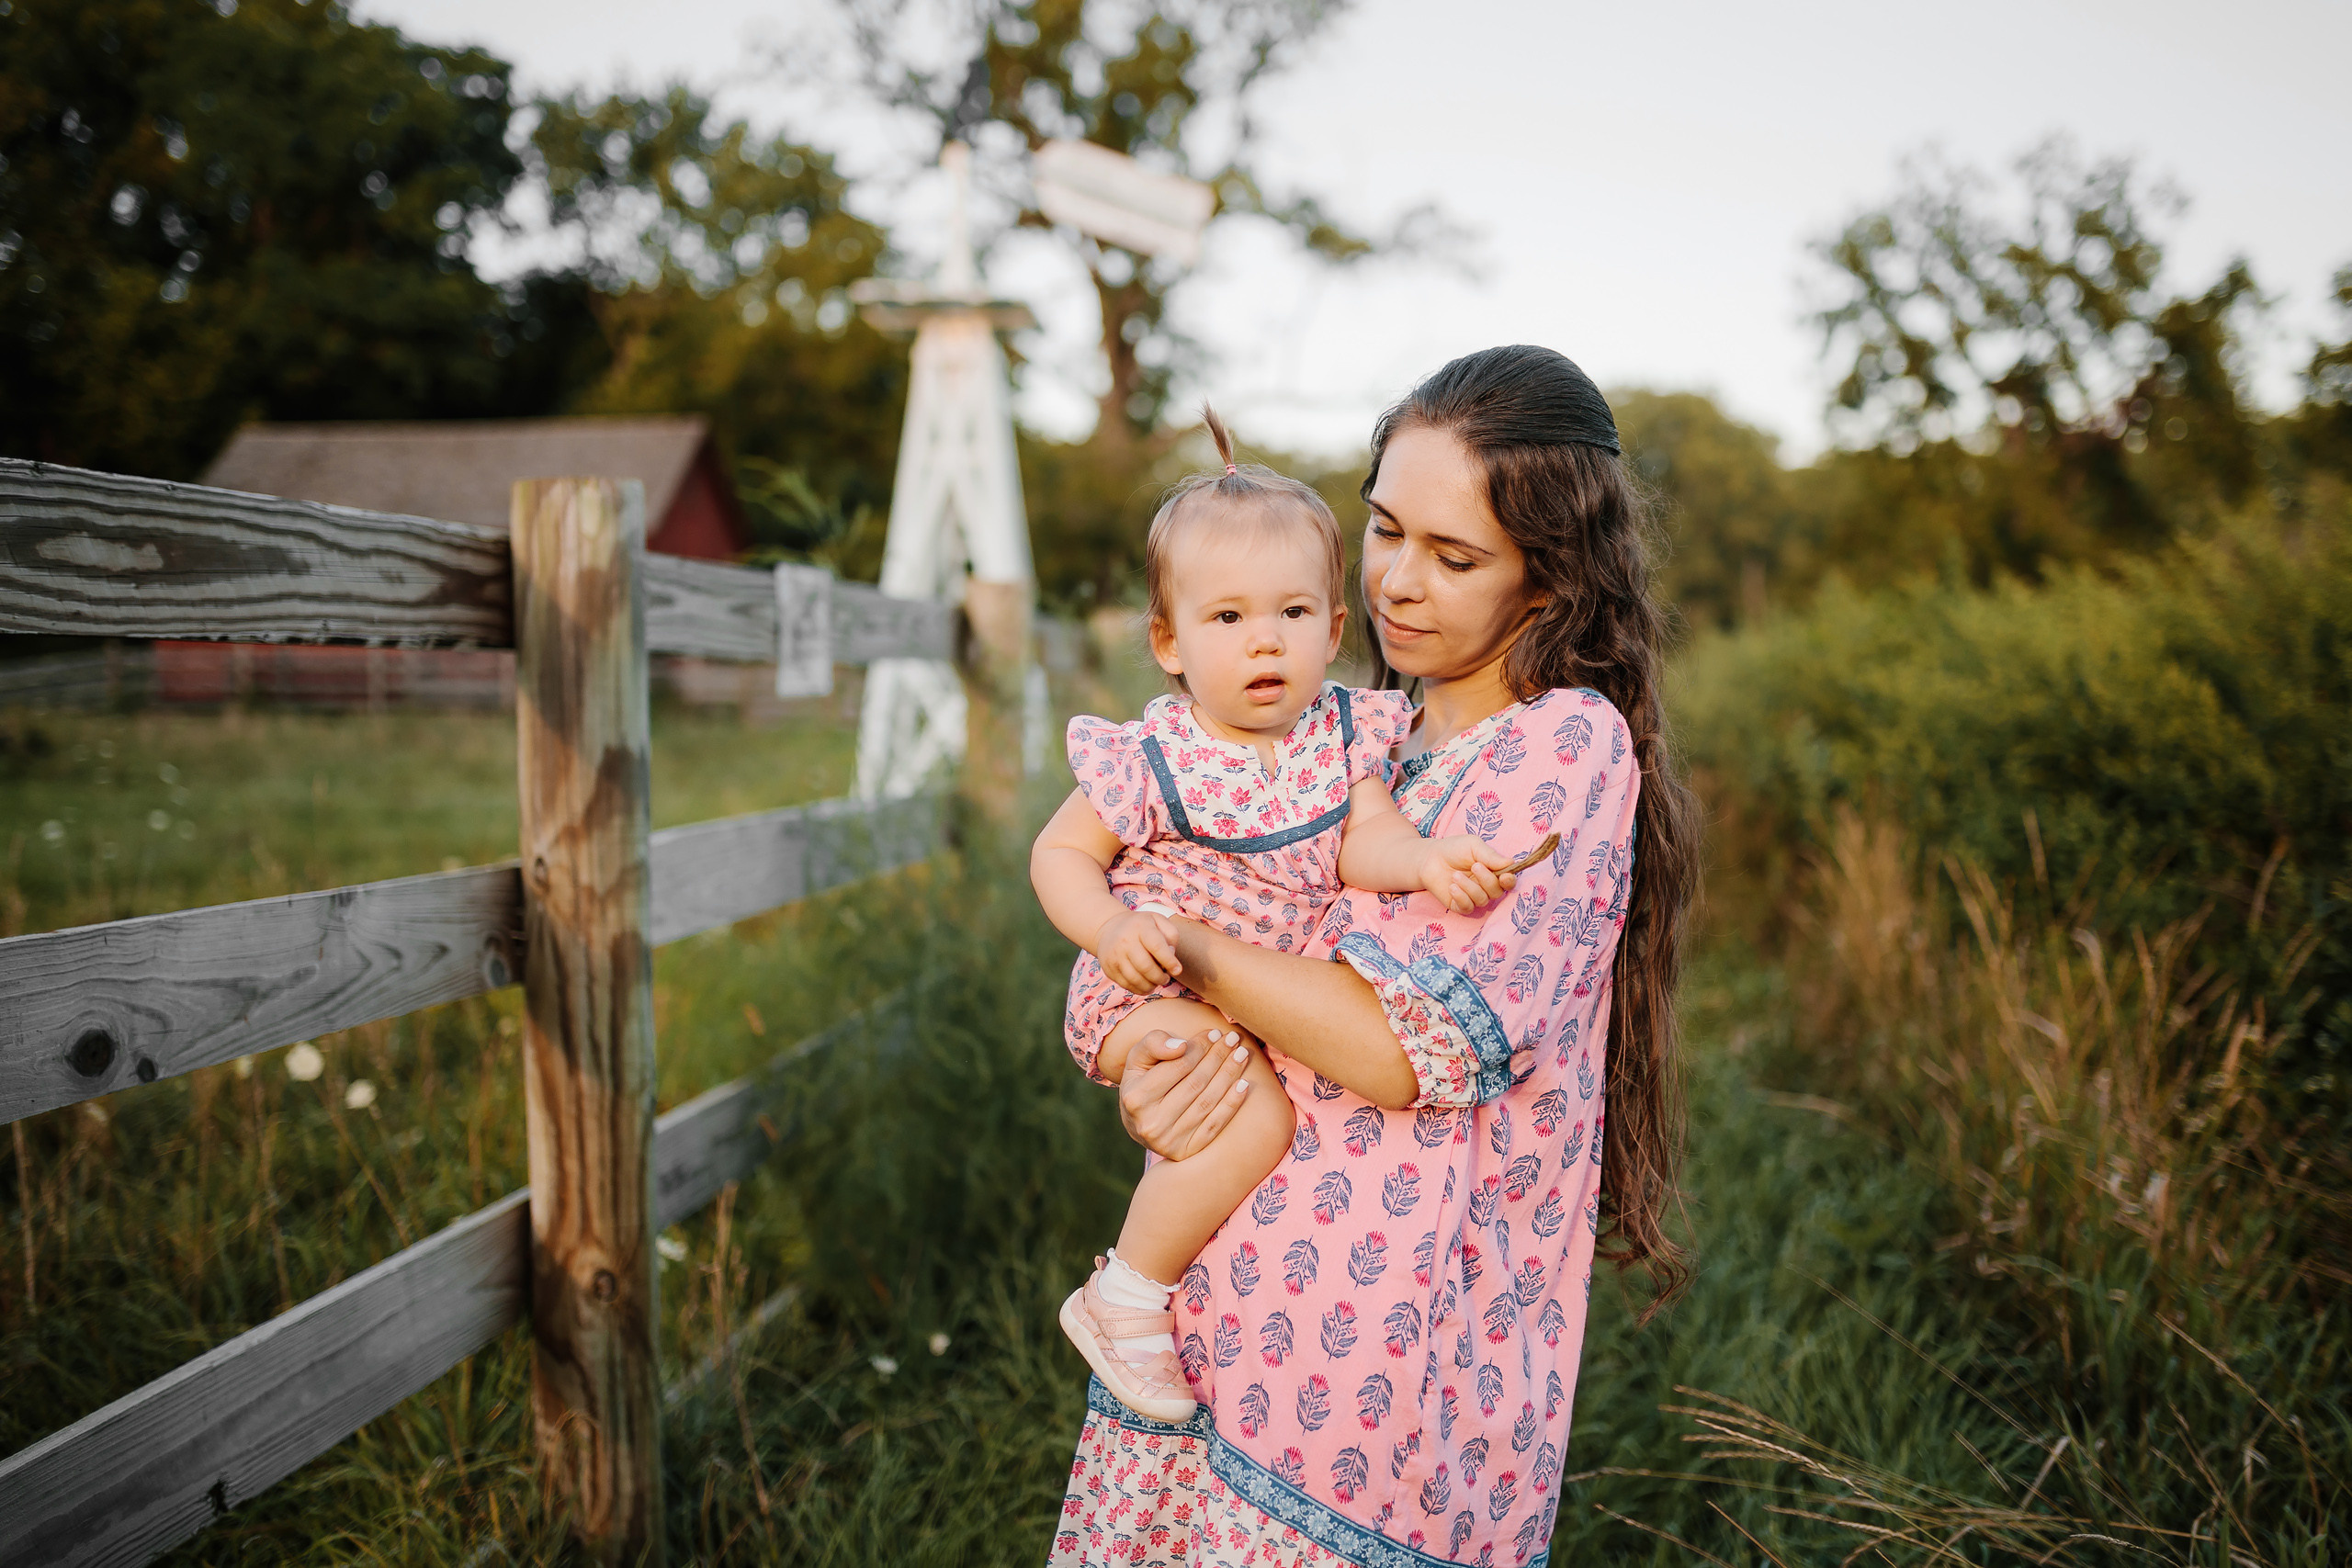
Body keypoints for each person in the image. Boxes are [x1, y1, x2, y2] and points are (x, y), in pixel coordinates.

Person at [1046, 345, 1700, 1568]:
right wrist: (1156, 1065)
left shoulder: (1561, 745)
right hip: (1235, 1320)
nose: (1398, 582)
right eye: (1387, 529)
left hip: (1393, 1376)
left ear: (1551, 577)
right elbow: (1228, 973)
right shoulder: (1348, 737)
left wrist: (1189, 948)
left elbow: (1408, 1047)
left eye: (1454, 558)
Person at [1032, 406, 1538, 1424]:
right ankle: (1124, 1295)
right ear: (1169, 643)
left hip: (1238, 990)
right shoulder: (1156, 754)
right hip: (1150, 980)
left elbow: (1366, 841)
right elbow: (1060, 854)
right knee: (1252, 1113)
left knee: (1240, 1116)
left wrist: (1432, 863)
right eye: (1227, 620)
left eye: (1292, 615)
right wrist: (1108, 930)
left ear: (1333, 629)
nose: (1264, 641)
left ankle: (1158, 1291)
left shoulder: (1342, 737)